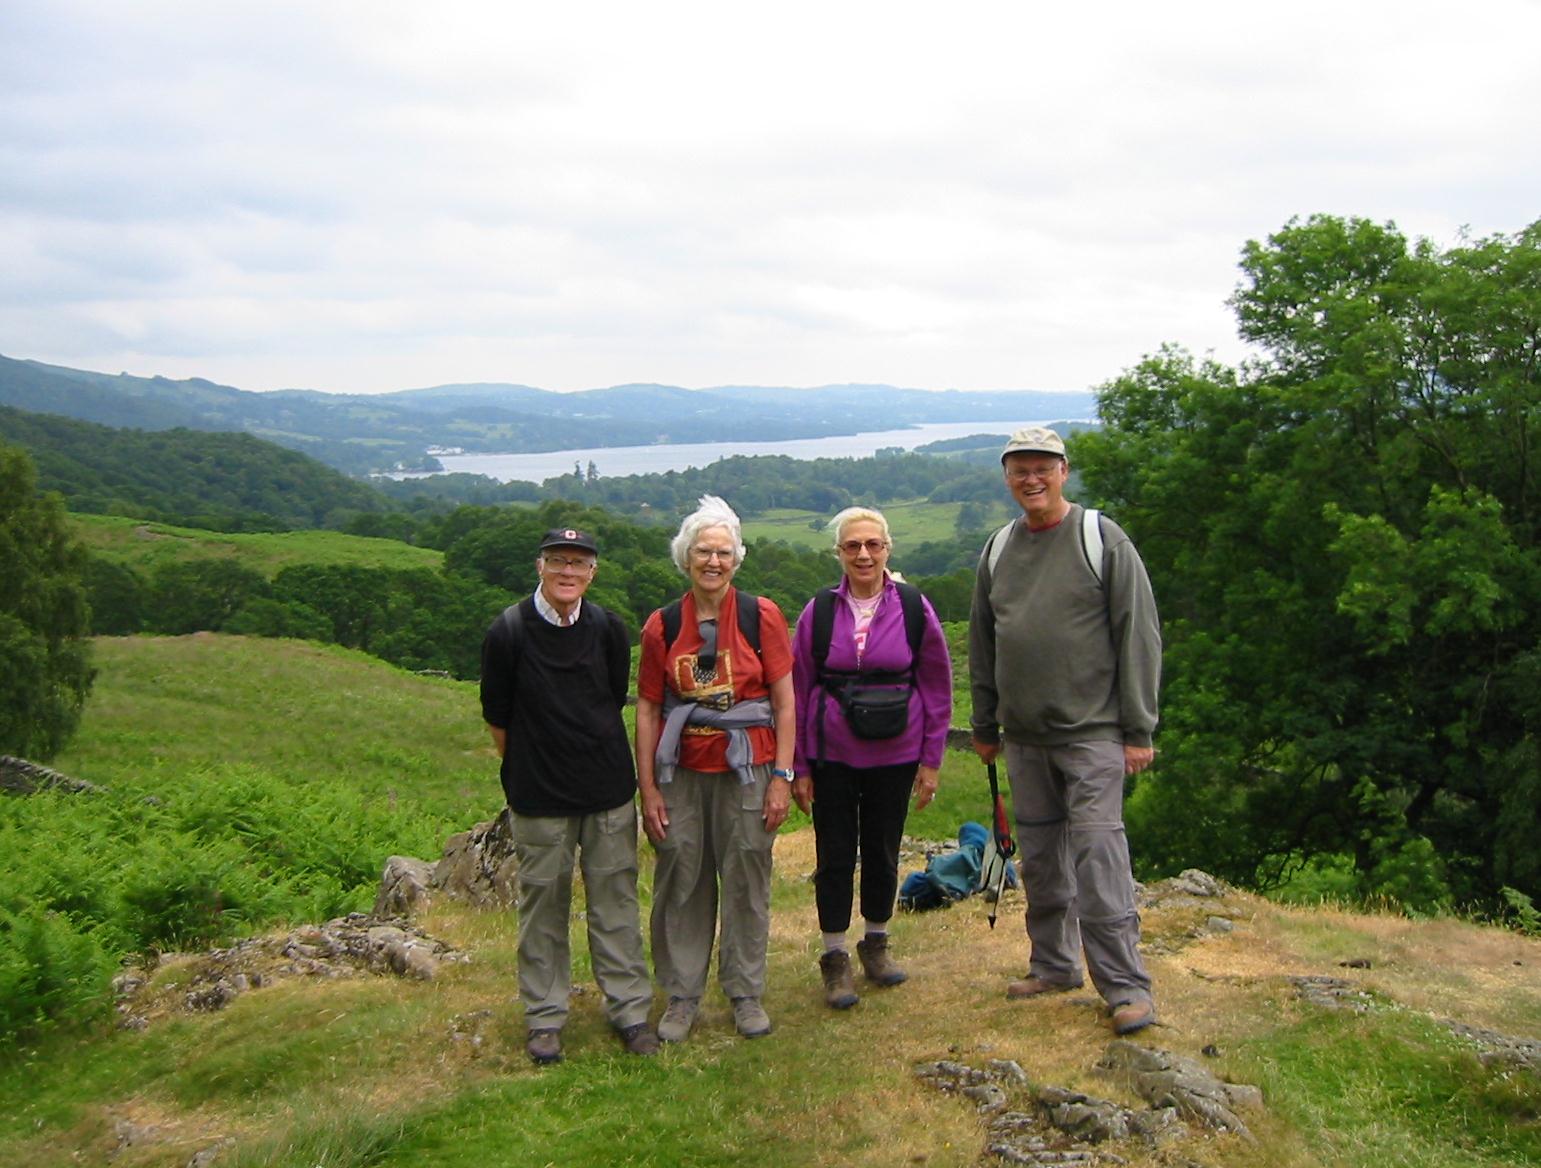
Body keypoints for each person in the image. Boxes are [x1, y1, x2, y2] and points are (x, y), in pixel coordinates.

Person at [968, 426, 1162, 1036]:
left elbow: (1139, 634)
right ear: (1007, 477)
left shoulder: (1100, 538)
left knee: (1099, 860)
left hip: (1094, 734)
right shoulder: (998, 549)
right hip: (1024, 738)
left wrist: (1139, 727)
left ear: (1063, 471)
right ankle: (1053, 965)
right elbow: (983, 642)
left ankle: (1126, 987)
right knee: (1043, 864)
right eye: (1020, 469)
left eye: (1042, 467)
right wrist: (985, 723)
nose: (1032, 479)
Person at [480, 527, 657, 1065]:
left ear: (592, 573)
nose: (568, 572)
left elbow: (608, 698)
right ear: (540, 566)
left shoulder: (607, 627)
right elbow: (498, 719)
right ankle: (544, 1019)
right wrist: (531, 764)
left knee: (617, 906)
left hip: (606, 792)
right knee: (543, 910)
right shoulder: (508, 631)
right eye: (558, 560)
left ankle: (629, 1011)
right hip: (539, 798)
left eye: (579, 564)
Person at [635, 495, 796, 1043]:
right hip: (682, 770)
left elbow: (786, 701)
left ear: (736, 559)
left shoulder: (761, 616)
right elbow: (650, 708)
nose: (713, 562)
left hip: (750, 768)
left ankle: (745, 993)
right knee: (681, 876)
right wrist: (649, 789)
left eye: (723, 552)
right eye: (703, 551)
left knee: (748, 876)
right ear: (686, 558)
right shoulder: (662, 626)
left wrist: (784, 776)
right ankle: (681, 997)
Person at [790, 507, 953, 1009]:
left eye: (872, 545)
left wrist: (931, 760)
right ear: (839, 552)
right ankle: (835, 957)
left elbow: (936, 683)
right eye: (852, 546)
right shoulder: (817, 612)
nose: (863, 554)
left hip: (897, 752)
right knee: (834, 855)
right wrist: (798, 765)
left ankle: (876, 944)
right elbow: (797, 690)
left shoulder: (912, 606)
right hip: (832, 752)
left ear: (887, 549)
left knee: (883, 850)